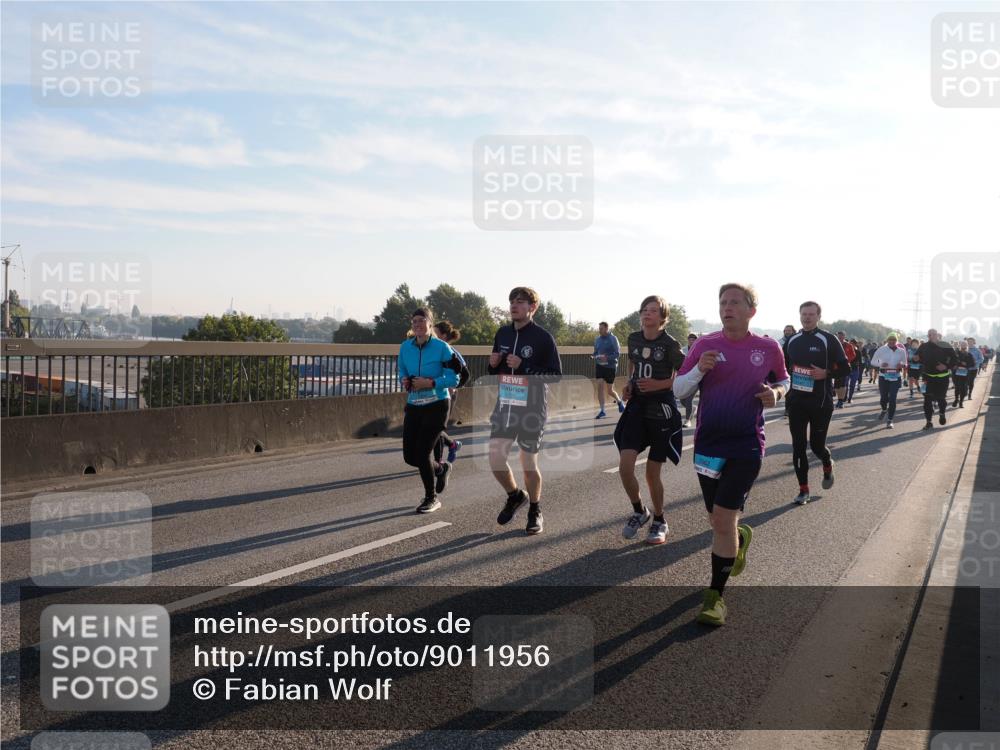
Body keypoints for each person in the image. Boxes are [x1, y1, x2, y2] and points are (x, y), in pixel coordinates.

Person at [673, 283, 789, 626]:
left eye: (735, 302)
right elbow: (679, 389)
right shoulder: (704, 345)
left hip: (746, 444)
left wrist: (777, 394)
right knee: (717, 520)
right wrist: (699, 369)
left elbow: (784, 380)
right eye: (723, 302)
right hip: (708, 444)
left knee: (722, 520)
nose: (727, 307)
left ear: (752, 310)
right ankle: (738, 539)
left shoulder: (768, 348)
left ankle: (715, 599)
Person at [489, 286, 562, 536]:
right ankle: (515, 495)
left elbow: (555, 376)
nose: (514, 305)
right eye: (512, 301)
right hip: (506, 404)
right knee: (495, 459)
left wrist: (525, 365)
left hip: (532, 407)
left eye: (520, 301)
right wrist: (492, 365)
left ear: (533, 307)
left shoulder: (543, 338)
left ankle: (534, 509)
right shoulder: (502, 333)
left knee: (528, 463)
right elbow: (495, 371)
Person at [615, 296, 686, 545]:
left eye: (653, 310)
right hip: (637, 407)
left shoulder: (670, 344)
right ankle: (639, 511)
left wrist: (660, 384)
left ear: (663, 317)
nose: (647, 313)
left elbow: (685, 374)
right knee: (625, 467)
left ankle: (659, 519)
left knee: (651, 473)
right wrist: (629, 384)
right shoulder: (634, 338)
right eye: (644, 309)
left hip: (661, 410)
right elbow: (633, 365)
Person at [783, 302, 850, 505]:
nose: (807, 317)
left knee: (817, 446)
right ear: (800, 315)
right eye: (804, 314)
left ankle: (827, 462)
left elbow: (846, 368)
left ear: (818, 316)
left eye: (811, 314)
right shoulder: (792, 340)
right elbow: (782, 369)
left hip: (820, 401)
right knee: (798, 446)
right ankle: (803, 490)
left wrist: (826, 373)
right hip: (796, 401)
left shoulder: (828, 339)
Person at [398, 309, 461, 513]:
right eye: (414, 321)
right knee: (410, 457)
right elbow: (401, 370)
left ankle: (431, 498)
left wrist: (431, 382)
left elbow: (455, 378)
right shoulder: (405, 347)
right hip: (414, 404)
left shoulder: (442, 348)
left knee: (423, 453)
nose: (417, 324)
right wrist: (404, 380)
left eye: (421, 320)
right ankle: (441, 468)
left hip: (437, 405)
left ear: (430, 323)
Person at [432, 321, 470, 466]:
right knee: (431, 427)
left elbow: (466, 375)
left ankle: (439, 462)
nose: (431, 335)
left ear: (443, 336)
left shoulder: (451, 351)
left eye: (435, 333)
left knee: (436, 428)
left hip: (447, 396)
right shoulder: (431, 351)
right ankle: (452, 444)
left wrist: (453, 386)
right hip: (431, 394)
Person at [916, 330, 957, 430]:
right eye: (930, 335)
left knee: (941, 399)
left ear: (937, 335)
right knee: (927, 400)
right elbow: (918, 358)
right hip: (928, 377)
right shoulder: (923, 346)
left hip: (942, 377)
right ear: (928, 336)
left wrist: (946, 366)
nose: (932, 336)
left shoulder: (945, 345)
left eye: (934, 334)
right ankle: (929, 422)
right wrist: (915, 358)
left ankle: (942, 413)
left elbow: (955, 359)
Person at [870, 333, 908, 429]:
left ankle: (890, 420)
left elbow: (905, 363)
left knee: (892, 399)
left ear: (896, 341)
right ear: (887, 340)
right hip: (883, 377)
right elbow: (873, 361)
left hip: (896, 377)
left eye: (894, 340)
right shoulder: (881, 349)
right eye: (890, 340)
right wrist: (881, 364)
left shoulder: (901, 351)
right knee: (883, 398)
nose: (892, 341)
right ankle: (884, 410)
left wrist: (902, 365)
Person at [593, 322, 624, 418]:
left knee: (610, 391)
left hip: (610, 367)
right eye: (599, 328)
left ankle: (619, 402)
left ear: (606, 328)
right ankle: (602, 410)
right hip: (600, 366)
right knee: (600, 386)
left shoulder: (613, 339)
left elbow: (617, 354)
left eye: (601, 329)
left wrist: (607, 358)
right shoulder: (597, 340)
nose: (599, 330)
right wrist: (594, 356)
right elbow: (595, 352)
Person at [680, 333, 699, 427]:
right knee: (682, 399)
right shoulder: (683, 350)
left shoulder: (700, 350)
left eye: (693, 340)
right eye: (690, 340)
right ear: (687, 340)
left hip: (696, 378)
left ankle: (687, 420)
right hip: (684, 378)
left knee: (688, 399)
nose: (691, 341)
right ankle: (693, 408)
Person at [834, 331, 856, 408]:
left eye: (841, 336)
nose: (840, 337)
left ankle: (841, 401)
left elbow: (853, 355)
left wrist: (846, 361)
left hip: (844, 367)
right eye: (838, 336)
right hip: (835, 367)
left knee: (843, 384)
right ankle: (839, 399)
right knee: (836, 386)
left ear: (844, 336)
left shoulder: (848, 345)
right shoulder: (834, 344)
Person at [952, 341, 975, 409]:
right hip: (956, 373)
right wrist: (954, 366)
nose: (963, 346)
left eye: (965, 345)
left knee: (963, 389)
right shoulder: (956, 353)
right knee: (957, 387)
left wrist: (966, 364)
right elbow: (951, 361)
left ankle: (961, 402)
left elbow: (973, 364)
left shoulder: (969, 354)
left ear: (967, 346)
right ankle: (956, 399)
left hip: (965, 374)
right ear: (960, 345)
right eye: (962, 345)